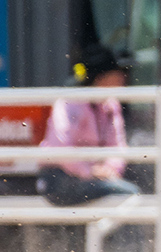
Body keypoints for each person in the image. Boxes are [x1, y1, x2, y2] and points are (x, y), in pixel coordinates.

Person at [38, 47, 140, 206]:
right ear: (100, 78)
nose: (123, 80)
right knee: (129, 194)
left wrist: (110, 169)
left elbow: (117, 146)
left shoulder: (110, 105)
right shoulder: (69, 102)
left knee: (127, 193)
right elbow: (61, 147)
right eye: (117, 75)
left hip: (92, 179)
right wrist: (89, 171)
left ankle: (102, 230)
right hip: (60, 178)